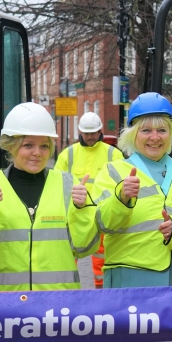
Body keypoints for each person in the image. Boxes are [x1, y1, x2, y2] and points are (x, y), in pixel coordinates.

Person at [0, 102, 98, 290]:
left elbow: (84, 248)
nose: (37, 153)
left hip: (56, 306)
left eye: (44, 146)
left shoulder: (68, 186)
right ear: (11, 146)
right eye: (28, 145)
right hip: (4, 309)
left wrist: (81, 210)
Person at [93, 93, 172, 287]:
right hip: (129, 283)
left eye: (162, 130)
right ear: (133, 134)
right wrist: (121, 199)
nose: (154, 137)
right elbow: (101, 224)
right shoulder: (114, 172)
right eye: (146, 130)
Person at [55, 112, 124, 289]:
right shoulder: (67, 154)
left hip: (101, 212)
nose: (90, 137)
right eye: (86, 133)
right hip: (74, 214)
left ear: (100, 131)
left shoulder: (114, 154)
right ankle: (67, 291)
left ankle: (101, 291)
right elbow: (55, 184)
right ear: (80, 132)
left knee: (102, 257)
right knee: (68, 255)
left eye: (93, 133)